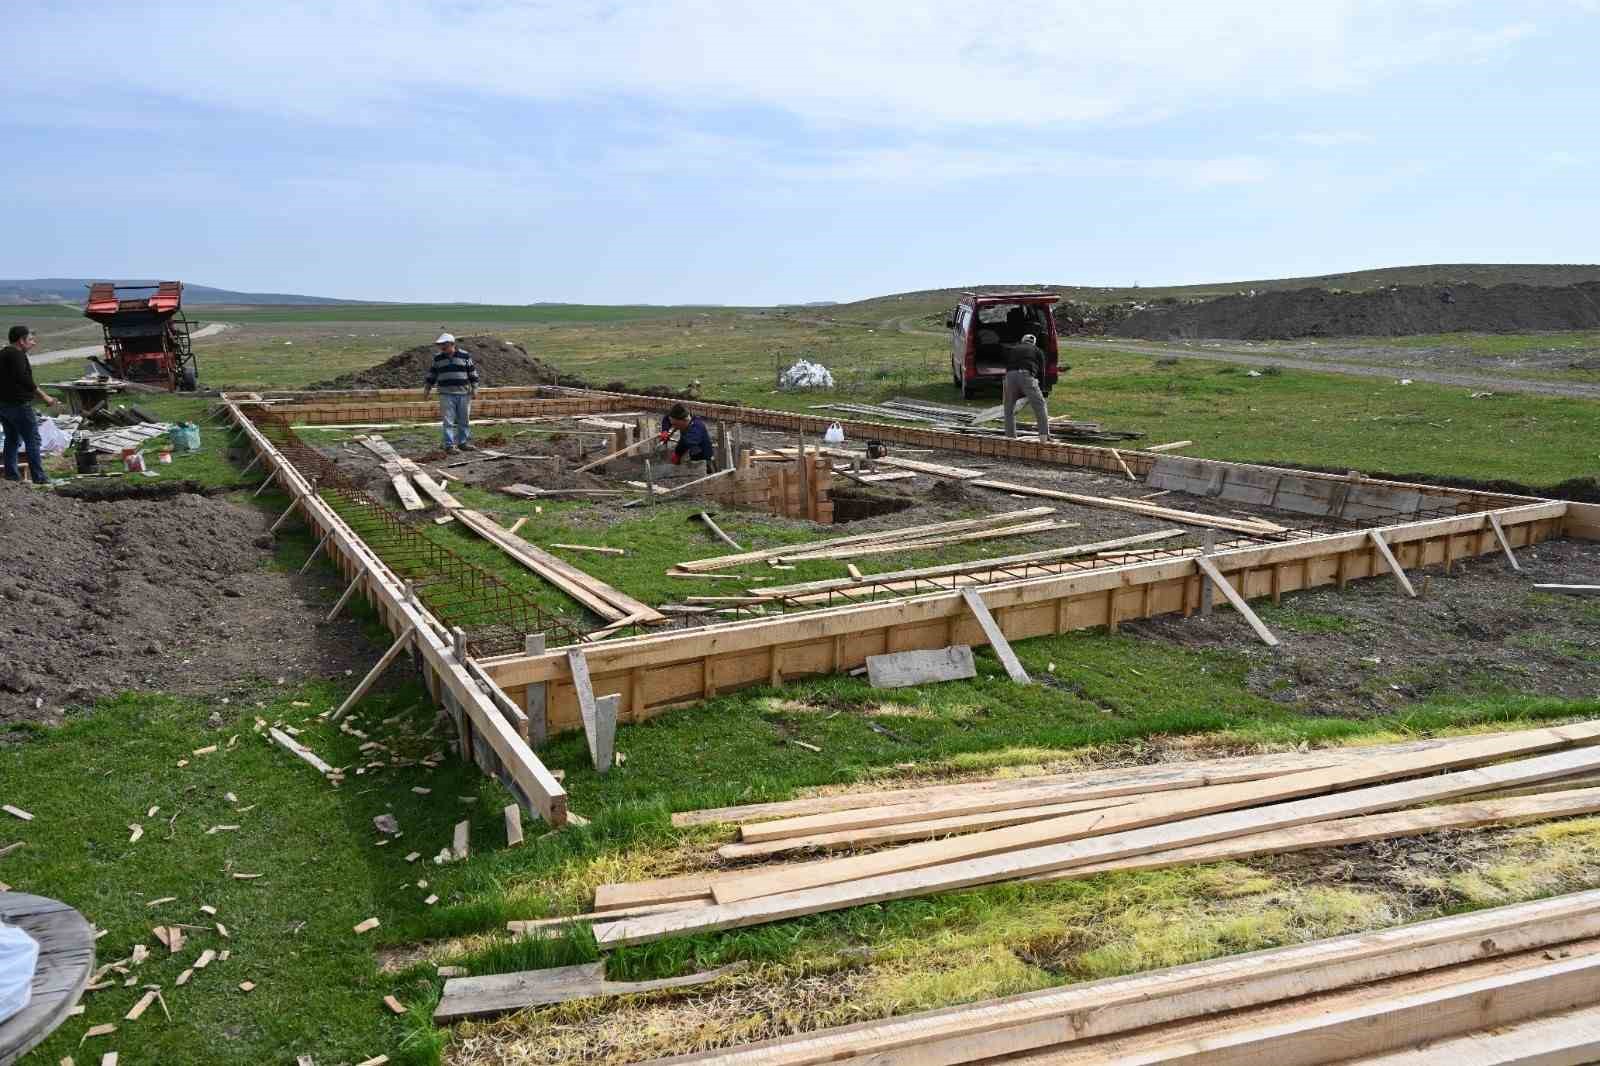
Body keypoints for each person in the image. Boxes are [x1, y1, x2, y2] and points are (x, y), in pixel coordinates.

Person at [0, 325, 59, 485]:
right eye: (30, 340)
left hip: (4, 405)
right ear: (21, 340)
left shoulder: (3, 354)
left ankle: (11, 476)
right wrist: (45, 397)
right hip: (19, 405)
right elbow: (24, 380)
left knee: (12, 439)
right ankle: (39, 478)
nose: (34, 343)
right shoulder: (17, 355)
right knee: (33, 440)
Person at [421, 333, 479, 452]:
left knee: (464, 419)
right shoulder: (437, 358)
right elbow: (432, 375)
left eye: (444, 344)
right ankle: (449, 445)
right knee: (448, 421)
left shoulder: (465, 356)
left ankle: (463, 443)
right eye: (440, 345)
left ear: (452, 344)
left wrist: (475, 388)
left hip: (464, 393)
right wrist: (427, 389)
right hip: (446, 394)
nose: (442, 347)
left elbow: (472, 373)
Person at [1001, 333, 1050, 444]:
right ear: (1034, 343)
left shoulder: (1013, 348)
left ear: (1022, 341)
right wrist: (1042, 389)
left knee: (1009, 408)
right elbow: (1042, 372)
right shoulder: (1037, 351)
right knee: (1040, 405)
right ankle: (1044, 437)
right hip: (1026, 375)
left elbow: (1006, 363)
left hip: (1009, 376)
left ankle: (1010, 438)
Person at [657, 403, 713, 470]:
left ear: (685, 420)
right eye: (672, 424)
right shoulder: (686, 419)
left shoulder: (696, 428)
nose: (674, 427)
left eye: (675, 424)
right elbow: (667, 418)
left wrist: (677, 454)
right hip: (692, 450)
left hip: (703, 459)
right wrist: (665, 430)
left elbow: (685, 442)